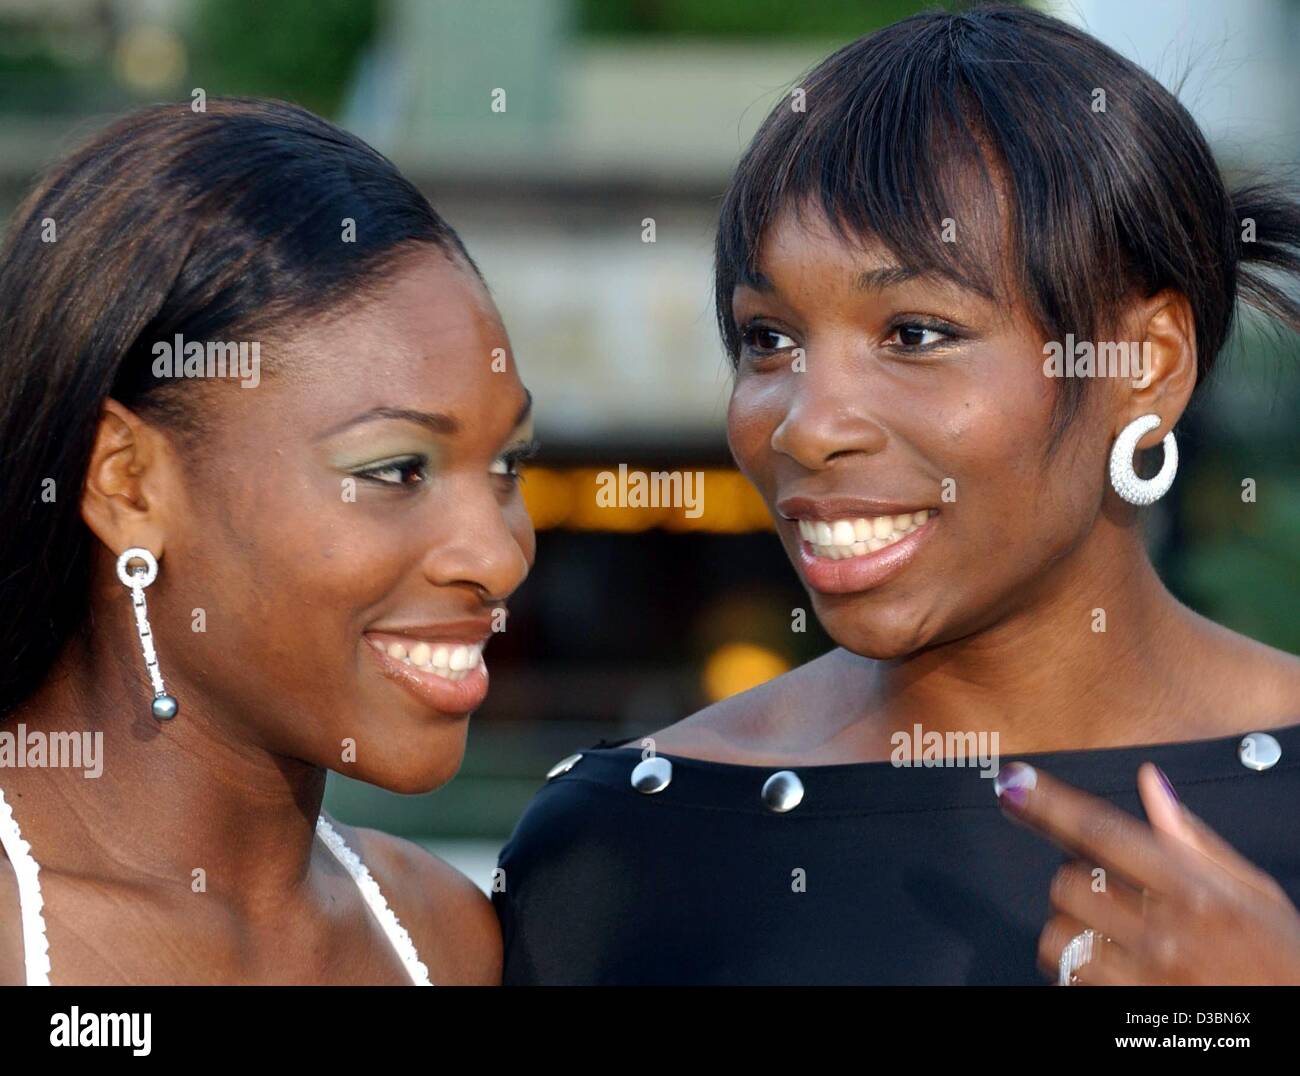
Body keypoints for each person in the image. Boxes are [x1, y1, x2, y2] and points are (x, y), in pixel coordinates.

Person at [494, 5, 1300, 985]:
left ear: (1145, 363)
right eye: (767, 337)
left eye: (915, 332)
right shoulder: (621, 842)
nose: (804, 422)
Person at [0, 98, 535, 984]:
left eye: (509, 463)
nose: (496, 556)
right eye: (397, 469)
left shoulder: (449, 938)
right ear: (127, 484)